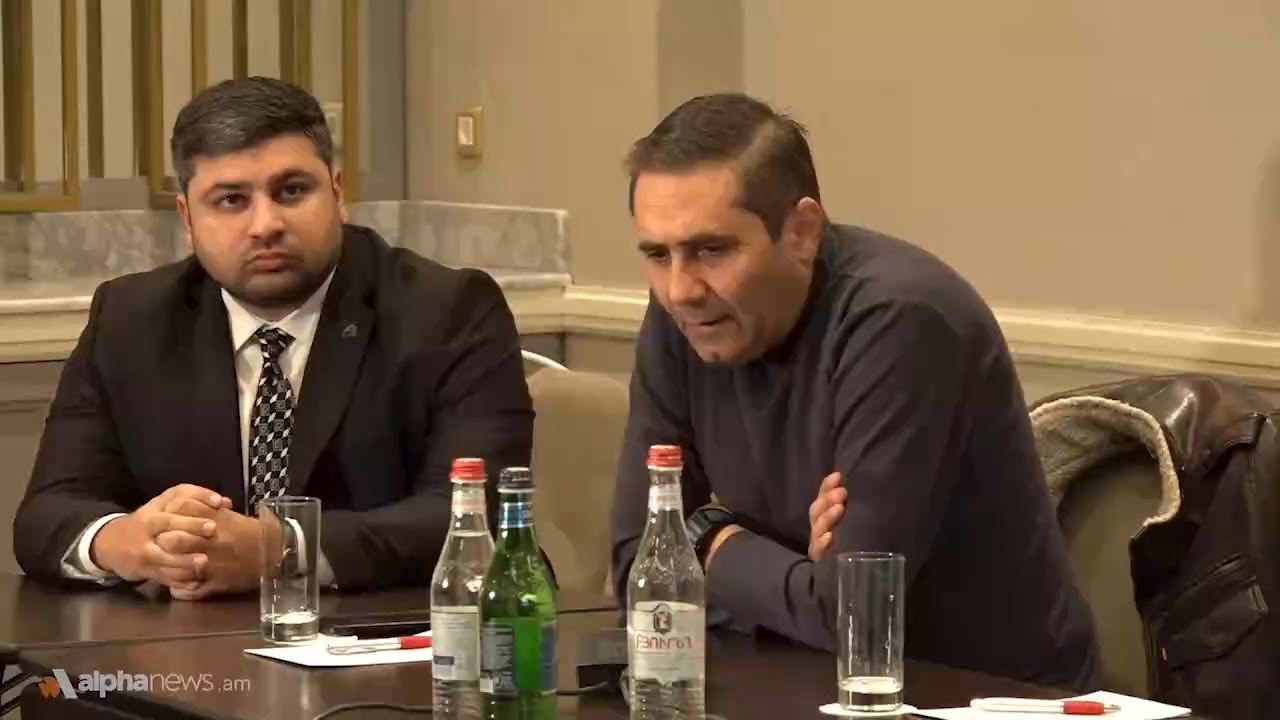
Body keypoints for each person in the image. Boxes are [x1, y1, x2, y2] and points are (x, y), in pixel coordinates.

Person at [609, 93, 1100, 689]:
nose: (680, 288)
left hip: (985, 695)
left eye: (712, 249)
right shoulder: (684, 315)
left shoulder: (902, 320)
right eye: (657, 254)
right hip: (802, 679)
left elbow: (853, 613)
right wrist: (791, 572)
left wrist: (705, 537)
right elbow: (635, 568)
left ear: (801, 232)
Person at [13, 77, 533, 599]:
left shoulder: (449, 310)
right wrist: (127, 542)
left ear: (338, 193)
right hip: (184, 638)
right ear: (187, 218)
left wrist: (282, 547)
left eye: (292, 191)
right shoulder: (130, 320)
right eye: (231, 200)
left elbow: (474, 516)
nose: (265, 224)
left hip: (393, 631)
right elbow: (47, 513)